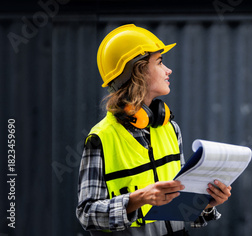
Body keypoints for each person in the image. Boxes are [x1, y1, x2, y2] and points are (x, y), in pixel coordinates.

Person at [76, 24, 232, 235]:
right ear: (138, 71)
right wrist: (138, 199)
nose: (168, 70)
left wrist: (206, 203)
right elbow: (87, 214)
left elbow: (181, 204)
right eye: (159, 62)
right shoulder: (101, 138)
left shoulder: (169, 128)